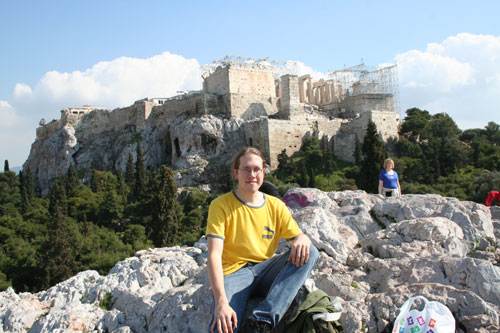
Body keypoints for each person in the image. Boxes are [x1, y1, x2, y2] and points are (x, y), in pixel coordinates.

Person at [206, 147, 319, 333]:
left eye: (257, 169)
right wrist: (220, 301)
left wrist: (302, 237)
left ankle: (262, 321)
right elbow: (214, 254)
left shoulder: (275, 206)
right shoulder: (220, 206)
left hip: (266, 269)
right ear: (236, 173)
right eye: (246, 169)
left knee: (310, 252)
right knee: (223, 326)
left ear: (263, 172)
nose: (252, 174)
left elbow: (297, 236)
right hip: (234, 274)